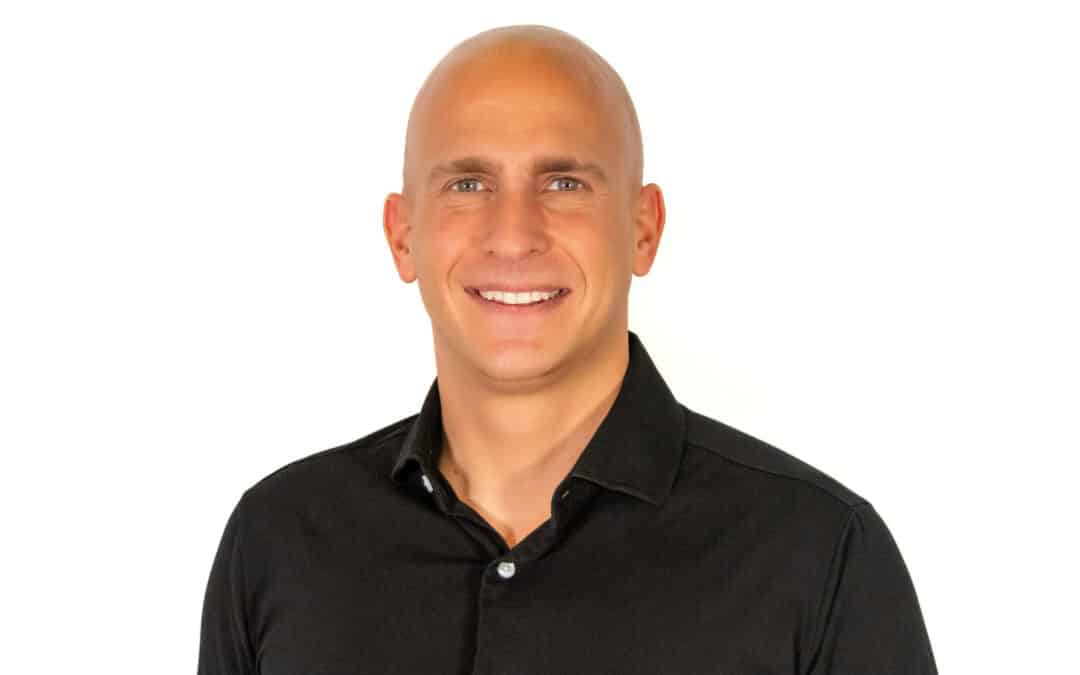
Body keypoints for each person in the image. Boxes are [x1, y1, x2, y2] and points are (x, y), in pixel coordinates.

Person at [198, 24, 938, 675]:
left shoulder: (818, 555)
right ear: (402, 236)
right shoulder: (280, 540)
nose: (513, 235)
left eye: (563, 182)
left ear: (643, 228)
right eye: (468, 183)